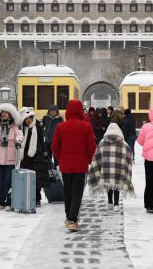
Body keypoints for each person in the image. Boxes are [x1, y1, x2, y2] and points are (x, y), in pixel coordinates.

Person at [51, 99, 96, 231]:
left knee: (67, 191)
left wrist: (61, 158)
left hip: (65, 164)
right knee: (77, 192)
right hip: (81, 165)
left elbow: (55, 146)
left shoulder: (60, 127)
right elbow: (91, 147)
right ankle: (72, 219)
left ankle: (69, 217)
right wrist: (88, 160)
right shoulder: (86, 126)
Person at [86, 122, 134, 210]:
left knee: (108, 185)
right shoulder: (122, 143)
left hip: (106, 169)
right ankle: (116, 204)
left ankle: (110, 203)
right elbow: (129, 151)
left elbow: (97, 155)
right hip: (118, 169)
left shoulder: (102, 142)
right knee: (116, 185)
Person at [18, 107, 51, 207]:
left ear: (32, 117)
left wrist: (45, 151)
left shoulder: (38, 126)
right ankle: (27, 197)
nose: (28, 121)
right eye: (25, 119)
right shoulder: (22, 128)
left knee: (37, 179)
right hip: (25, 156)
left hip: (37, 155)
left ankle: (37, 199)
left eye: (29, 118)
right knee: (26, 178)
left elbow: (41, 139)